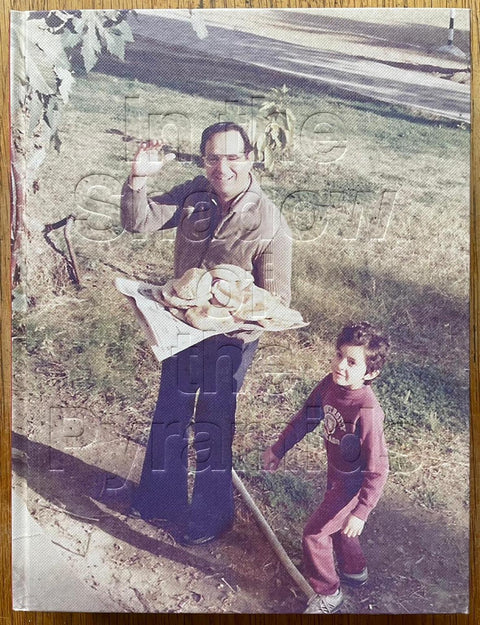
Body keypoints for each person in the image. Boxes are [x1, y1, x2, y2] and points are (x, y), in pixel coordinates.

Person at [120, 122, 292, 545]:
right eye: (213, 157)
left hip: (231, 340)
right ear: (203, 161)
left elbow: (277, 301)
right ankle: (161, 501)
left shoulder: (269, 220)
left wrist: (229, 309)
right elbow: (138, 223)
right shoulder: (194, 194)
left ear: (250, 159)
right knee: (171, 410)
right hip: (181, 327)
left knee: (214, 423)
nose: (223, 167)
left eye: (233, 157)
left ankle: (212, 516)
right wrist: (138, 179)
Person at [263, 321, 390, 613]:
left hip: (355, 486)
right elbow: (306, 418)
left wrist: (362, 510)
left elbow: (378, 468)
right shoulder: (330, 385)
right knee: (337, 527)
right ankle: (354, 570)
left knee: (315, 533)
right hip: (338, 477)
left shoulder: (367, 411)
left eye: (352, 361)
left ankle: (328, 592)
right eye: (338, 355)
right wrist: (279, 448)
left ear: (370, 373)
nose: (340, 365)